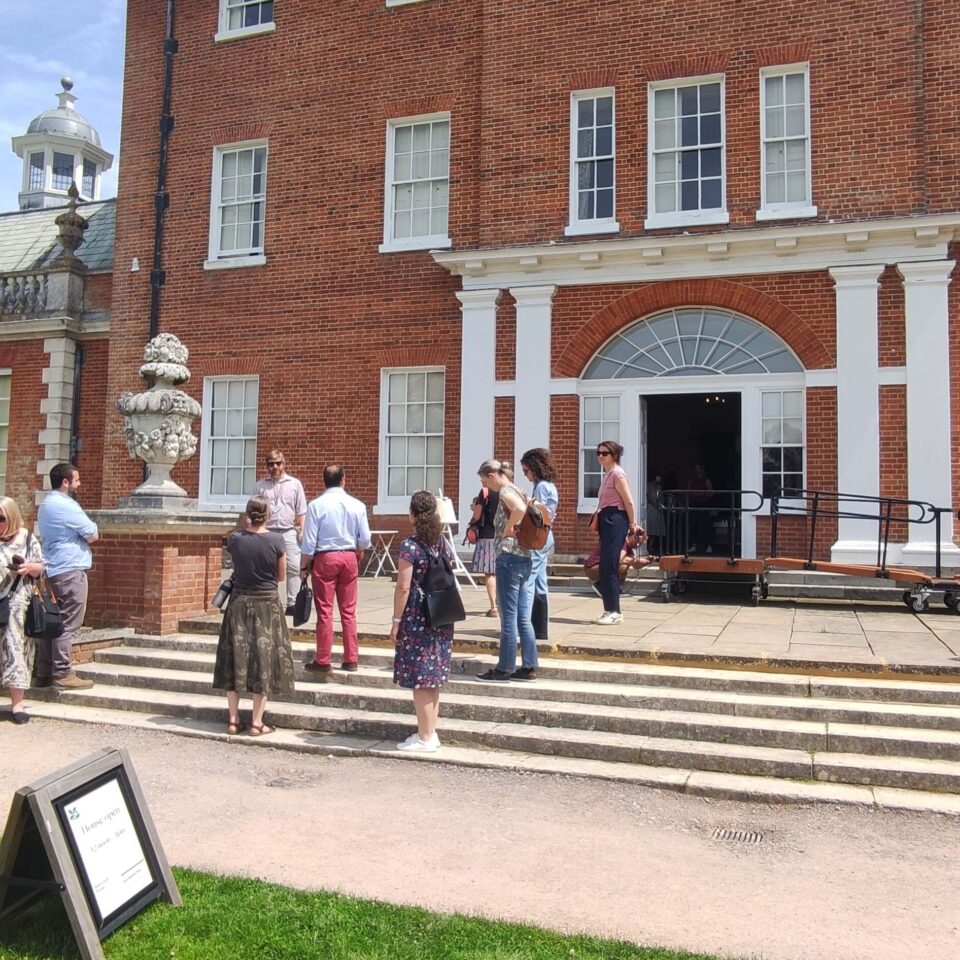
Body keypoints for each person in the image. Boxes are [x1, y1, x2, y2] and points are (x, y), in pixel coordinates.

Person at [213, 496, 295, 736]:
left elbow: (236, 563)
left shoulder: (235, 539)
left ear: (248, 514)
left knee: (234, 658)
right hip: (266, 604)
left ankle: (233, 719)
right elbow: (280, 577)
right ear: (268, 514)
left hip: (239, 601)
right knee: (263, 660)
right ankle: (257, 722)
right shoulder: (277, 540)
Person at [389, 490, 454, 753]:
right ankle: (429, 732)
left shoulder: (410, 546)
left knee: (421, 678)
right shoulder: (439, 542)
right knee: (432, 676)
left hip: (418, 614)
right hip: (440, 611)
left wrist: (396, 621)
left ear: (412, 514)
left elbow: (403, 587)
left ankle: (426, 737)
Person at [300, 464, 371, 680]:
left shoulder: (316, 505)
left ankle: (323, 659)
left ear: (324, 481)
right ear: (343, 480)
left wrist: (304, 567)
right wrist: (357, 551)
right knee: (349, 611)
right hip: (349, 556)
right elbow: (365, 539)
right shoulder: (357, 505)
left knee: (325, 611)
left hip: (325, 557)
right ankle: (351, 658)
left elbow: (309, 541)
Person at [474, 459, 537, 682]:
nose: (486, 487)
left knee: (508, 617)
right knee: (523, 617)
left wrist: (509, 527)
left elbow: (520, 510)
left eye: (485, 481)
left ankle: (504, 668)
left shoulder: (505, 492)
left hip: (508, 558)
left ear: (492, 475)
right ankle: (529, 666)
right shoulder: (520, 490)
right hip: (525, 557)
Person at [35, 463, 97, 689]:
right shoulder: (67, 506)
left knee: (50, 621)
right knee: (67, 623)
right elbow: (92, 534)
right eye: (77, 480)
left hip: (52, 570)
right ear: (65, 482)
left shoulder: (45, 504)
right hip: (70, 571)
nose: (79, 485)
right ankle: (62, 672)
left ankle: (43, 672)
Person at [0, 497, 46, 724]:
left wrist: (27, 567)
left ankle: (17, 705)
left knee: (16, 650)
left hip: (17, 604)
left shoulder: (27, 538)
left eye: (1, 518)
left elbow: (41, 569)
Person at [249, 450, 307, 616]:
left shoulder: (295, 484)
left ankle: (292, 603)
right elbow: (251, 511)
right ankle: (267, 600)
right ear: (267, 466)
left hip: (288, 530)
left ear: (284, 464)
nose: (275, 466)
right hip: (266, 531)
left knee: (294, 567)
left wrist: (302, 530)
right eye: (271, 463)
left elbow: (302, 510)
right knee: (265, 567)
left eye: (278, 463)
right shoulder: (260, 486)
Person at [593, 441, 640, 625]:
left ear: (614, 455)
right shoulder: (608, 474)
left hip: (616, 518)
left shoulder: (618, 474)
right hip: (606, 517)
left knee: (610, 564)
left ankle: (615, 611)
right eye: (599, 452)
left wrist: (632, 524)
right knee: (605, 565)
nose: (600, 456)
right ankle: (608, 609)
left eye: (604, 453)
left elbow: (628, 501)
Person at [520, 448, 558, 642]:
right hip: (547, 537)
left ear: (535, 468)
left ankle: (524, 627)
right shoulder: (549, 485)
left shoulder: (541, 487)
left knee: (528, 581)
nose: (525, 475)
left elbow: (538, 514)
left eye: (526, 471)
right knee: (540, 582)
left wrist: (527, 504)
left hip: (538, 536)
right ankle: (540, 629)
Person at [583, 530, 651, 595]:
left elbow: (635, 566)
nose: (638, 544)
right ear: (633, 536)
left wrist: (646, 562)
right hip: (592, 568)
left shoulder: (629, 548)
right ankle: (601, 586)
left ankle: (613, 588)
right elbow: (619, 559)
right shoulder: (621, 541)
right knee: (622, 566)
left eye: (641, 543)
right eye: (638, 541)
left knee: (626, 564)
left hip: (600, 567)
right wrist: (633, 560)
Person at [469, 478, 499, 617]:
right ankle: (502, 605)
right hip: (502, 536)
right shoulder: (505, 491)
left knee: (489, 573)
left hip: (487, 536)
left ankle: (493, 607)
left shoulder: (485, 492)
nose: (481, 481)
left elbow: (477, 515)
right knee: (501, 573)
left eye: (483, 478)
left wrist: (474, 509)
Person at [688, 462, 714, 554]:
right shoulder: (692, 480)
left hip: (704, 504)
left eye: (699, 468)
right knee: (694, 525)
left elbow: (711, 492)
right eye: (695, 469)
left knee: (705, 525)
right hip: (694, 504)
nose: (697, 471)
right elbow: (689, 491)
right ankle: (694, 545)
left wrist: (702, 494)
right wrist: (693, 494)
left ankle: (709, 545)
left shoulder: (706, 480)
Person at [645, 471, 664, 557]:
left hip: (658, 509)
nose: (658, 479)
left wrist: (660, 505)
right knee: (650, 529)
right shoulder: (649, 485)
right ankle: (647, 546)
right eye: (657, 477)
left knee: (656, 529)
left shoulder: (659, 487)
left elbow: (661, 497)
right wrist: (654, 505)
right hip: (651, 508)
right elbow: (648, 497)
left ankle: (652, 546)